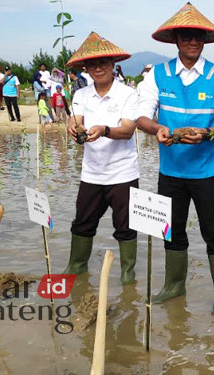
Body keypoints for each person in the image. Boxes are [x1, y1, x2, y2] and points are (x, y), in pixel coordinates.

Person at [135, 2, 214, 315]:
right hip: (172, 170)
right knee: (172, 229)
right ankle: (174, 285)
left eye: (198, 36)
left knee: (213, 231)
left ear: (204, 41)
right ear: (176, 39)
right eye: (186, 36)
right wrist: (158, 128)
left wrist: (206, 134)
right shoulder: (157, 75)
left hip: (208, 170)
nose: (192, 41)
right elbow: (142, 115)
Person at [63, 32, 140, 285]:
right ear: (85, 68)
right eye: (92, 64)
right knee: (82, 224)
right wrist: (72, 126)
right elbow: (76, 120)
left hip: (123, 174)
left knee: (125, 228)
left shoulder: (127, 94)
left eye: (103, 63)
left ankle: (128, 276)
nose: (98, 68)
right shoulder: (81, 95)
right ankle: (76, 268)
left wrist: (105, 129)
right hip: (91, 174)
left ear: (113, 65)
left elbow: (128, 130)